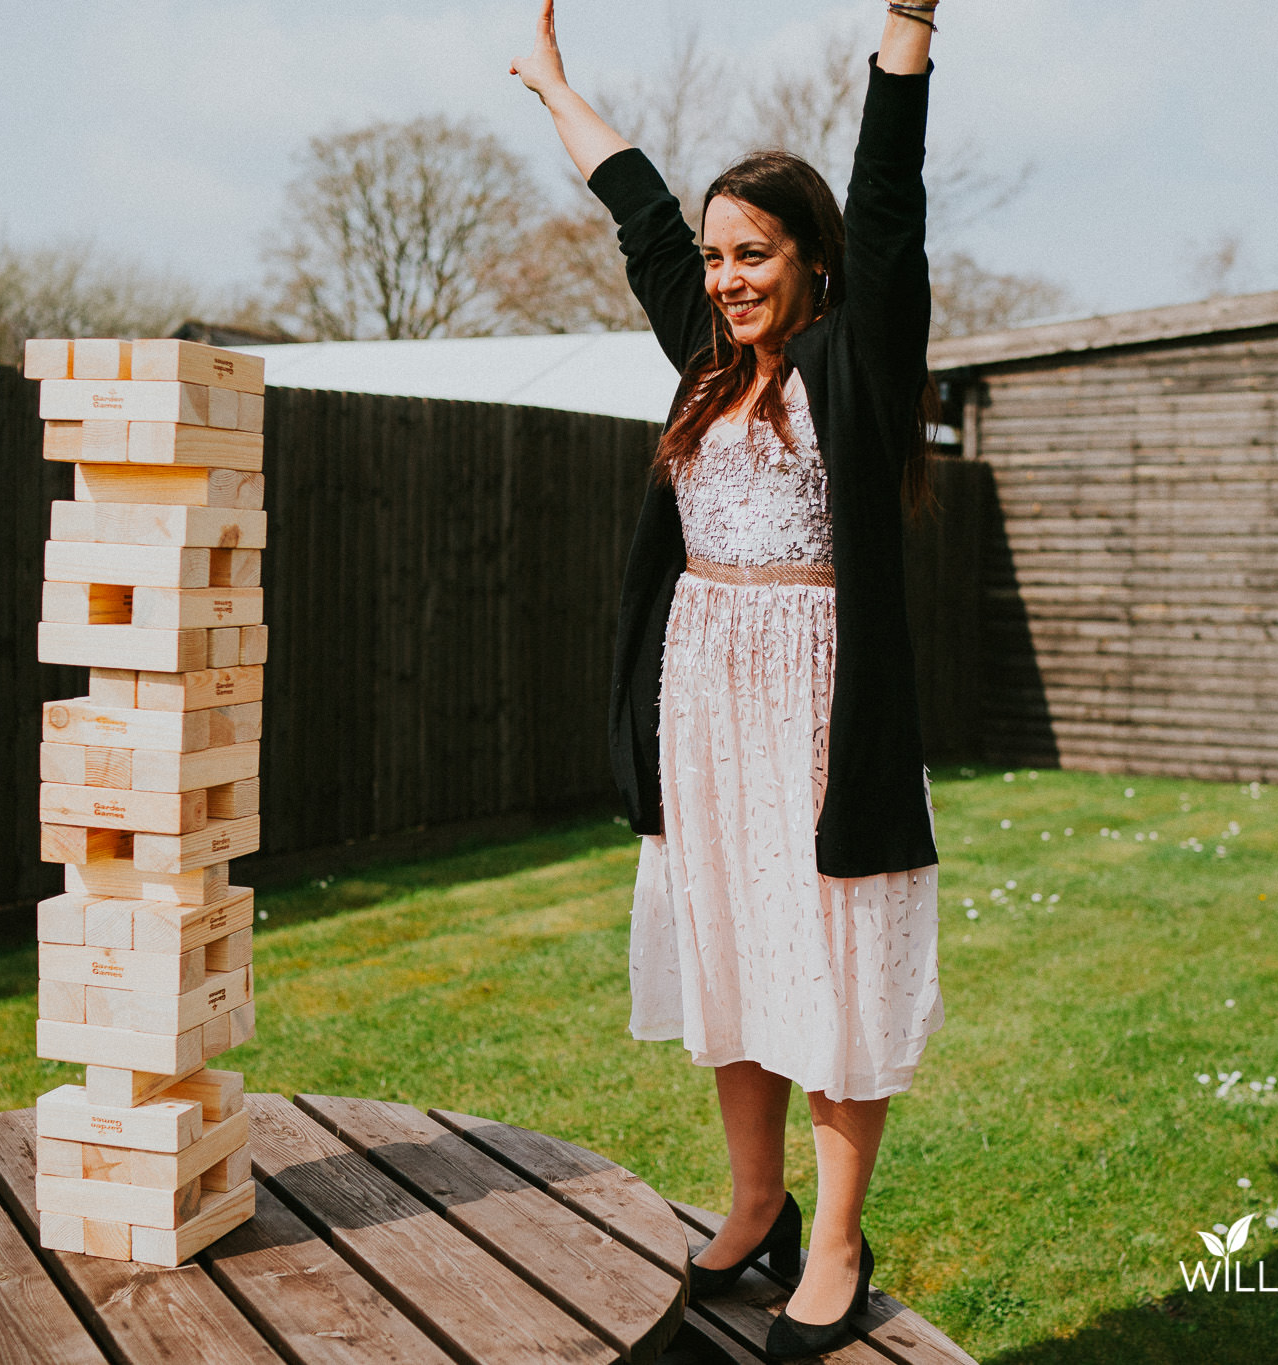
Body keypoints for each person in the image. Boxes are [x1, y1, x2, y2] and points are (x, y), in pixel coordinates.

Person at [513, 2, 944, 1357]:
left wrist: (909, 27)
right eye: (716, 257)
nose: (725, 276)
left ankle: (833, 1234)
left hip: (822, 714)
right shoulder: (705, 364)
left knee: (828, 970)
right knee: (737, 954)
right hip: (704, 704)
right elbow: (637, 209)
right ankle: (755, 1195)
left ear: (813, 261)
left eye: (751, 253)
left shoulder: (854, 367)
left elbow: (888, 203)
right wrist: (551, 90)